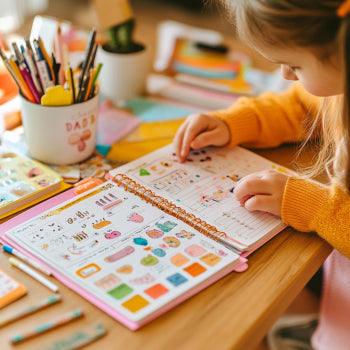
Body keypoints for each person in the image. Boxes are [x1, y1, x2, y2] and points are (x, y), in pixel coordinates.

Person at [173, 1, 350, 349]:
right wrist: (233, 123)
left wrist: (315, 207)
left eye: (294, 64)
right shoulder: (338, 85)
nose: (285, 75)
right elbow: (299, 106)